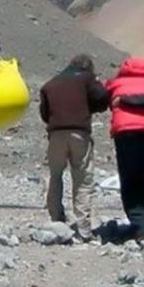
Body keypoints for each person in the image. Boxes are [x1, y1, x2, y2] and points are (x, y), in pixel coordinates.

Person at [38, 54, 110, 240]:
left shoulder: (51, 83)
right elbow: (102, 97)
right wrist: (89, 108)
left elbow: (44, 113)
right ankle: (84, 229)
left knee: (54, 175)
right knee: (83, 179)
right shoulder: (87, 79)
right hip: (79, 133)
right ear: (88, 67)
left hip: (56, 134)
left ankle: (56, 219)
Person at [104, 56, 144, 241]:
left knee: (129, 176)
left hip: (125, 133)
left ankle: (139, 223)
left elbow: (104, 96)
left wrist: (123, 101)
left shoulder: (116, 83)